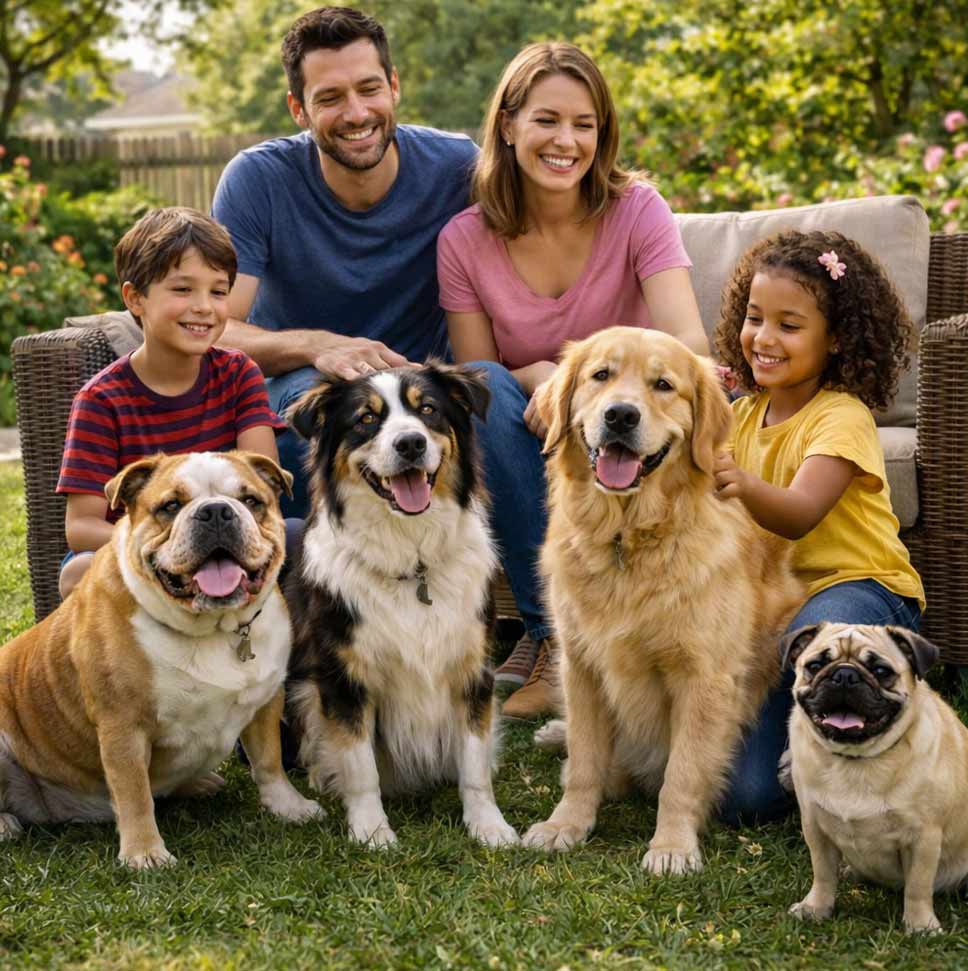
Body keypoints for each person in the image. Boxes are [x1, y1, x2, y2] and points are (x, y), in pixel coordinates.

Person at [437, 42, 709, 718]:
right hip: (538, 429)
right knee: (486, 391)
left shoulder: (637, 210)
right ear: (509, 124)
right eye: (547, 120)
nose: (567, 141)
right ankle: (552, 635)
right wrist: (549, 379)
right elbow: (478, 372)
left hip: (636, 424)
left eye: (584, 124)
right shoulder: (464, 240)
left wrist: (580, 381)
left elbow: (689, 342)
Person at [210, 6, 477, 520]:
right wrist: (317, 345)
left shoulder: (457, 166)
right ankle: (322, 585)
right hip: (304, 382)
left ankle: (527, 597)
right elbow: (217, 330)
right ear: (298, 108)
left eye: (369, 88)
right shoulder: (257, 180)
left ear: (394, 86)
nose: (356, 113)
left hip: (421, 383)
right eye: (330, 98)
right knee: (308, 421)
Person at [712, 228, 925, 821]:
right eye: (754, 318)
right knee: (741, 800)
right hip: (778, 608)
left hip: (861, 592)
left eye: (789, 324)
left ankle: (882, 742)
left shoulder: (842, 415)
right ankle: (805, 756)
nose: (764, 338)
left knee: (809, 642)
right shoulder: (742, 413)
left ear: (835, 339)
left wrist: (741, 484)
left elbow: (802, 513)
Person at [56, 207, 284, 598]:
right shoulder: (100, 400)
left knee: (295, 538)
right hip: (149, 551)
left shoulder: (238, 373)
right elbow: (80, 527)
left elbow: (265, 485)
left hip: (234, 535)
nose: (203, 307)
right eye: (182, 289)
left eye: (218, 291)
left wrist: (224, 535)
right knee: (77, 571)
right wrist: (168, 543)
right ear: (135, 298)